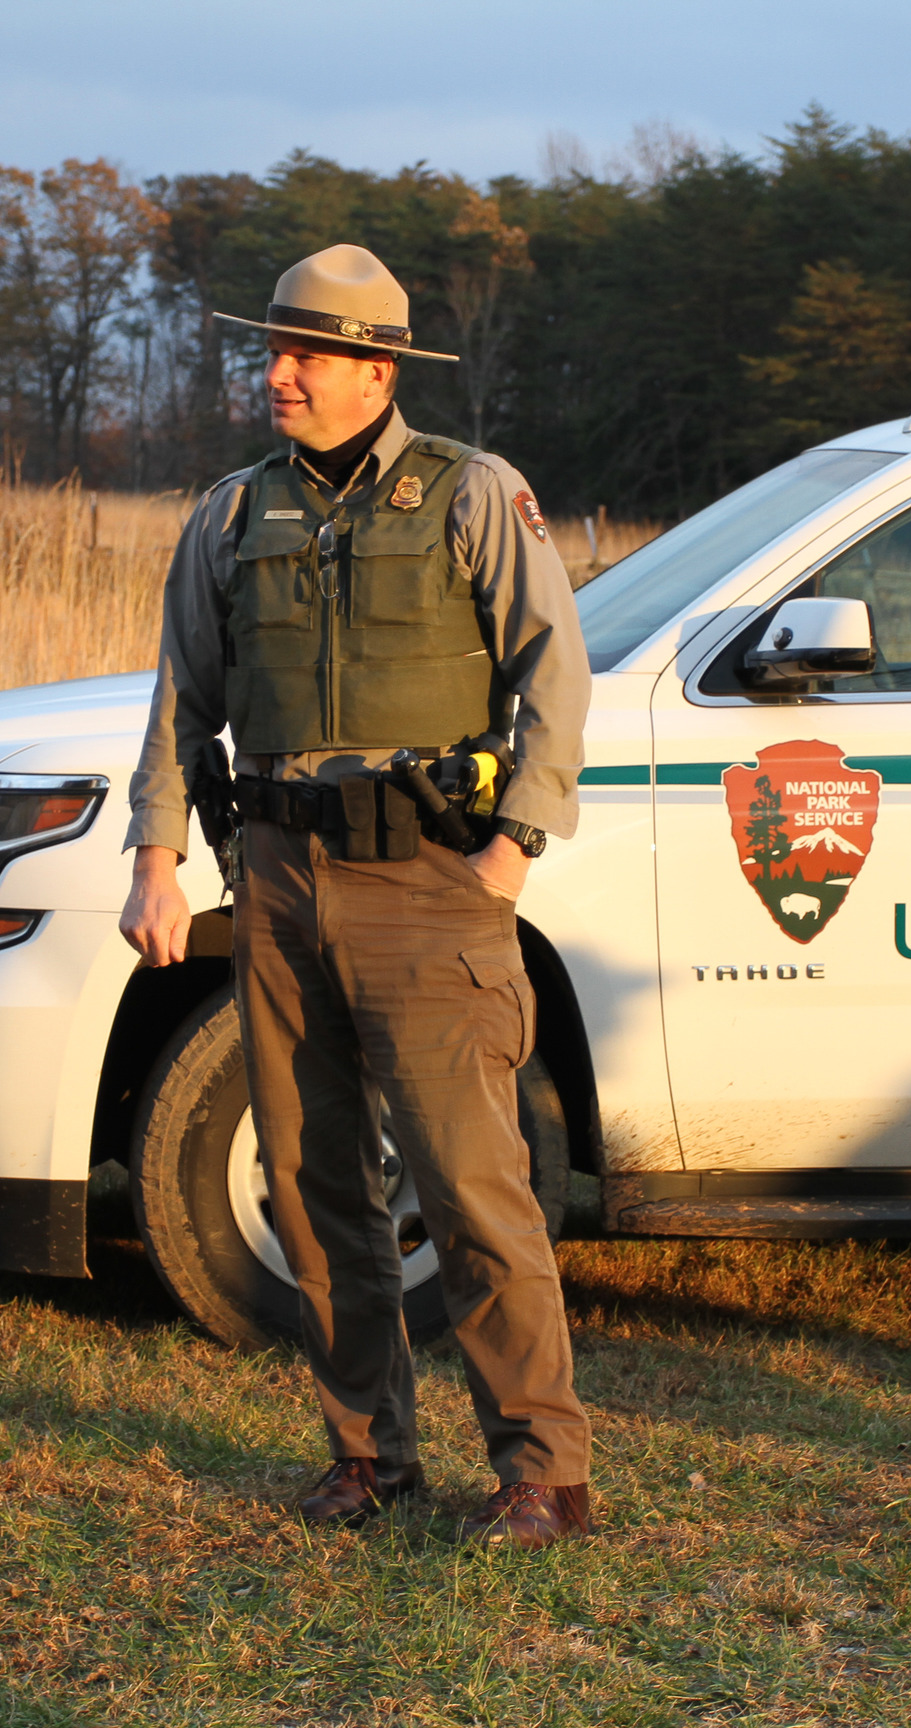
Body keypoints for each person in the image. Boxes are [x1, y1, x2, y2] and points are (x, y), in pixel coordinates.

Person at [119, 244, 595, 1548]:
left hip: (429, 884)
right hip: (274, 882)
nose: (277, 375)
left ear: (375, 370)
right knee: (311, 1177)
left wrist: (511, 854)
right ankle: (369, 1454)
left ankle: (541, 1469)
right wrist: (157, 858)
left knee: (468, 1181)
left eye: (307, 356)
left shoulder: (472, 496)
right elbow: (184, 698)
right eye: (273, 352)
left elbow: (557, 672)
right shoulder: (231, 514)